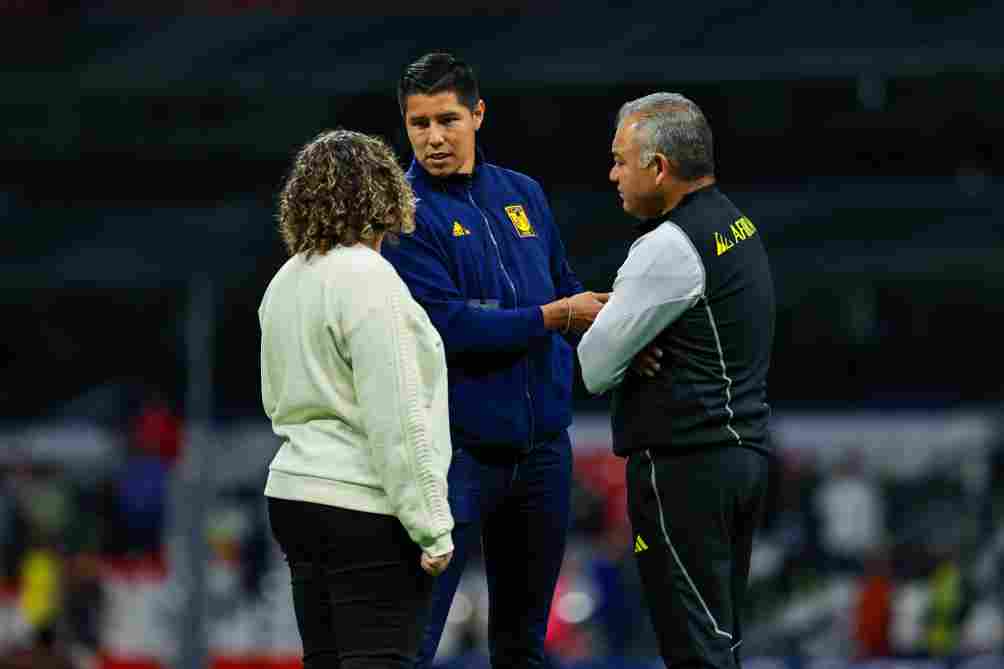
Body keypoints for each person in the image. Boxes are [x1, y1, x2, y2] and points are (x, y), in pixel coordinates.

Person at [382, 53, 607, 668]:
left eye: (447, 120)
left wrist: (616, 337)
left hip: (542, 454)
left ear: (478, 114)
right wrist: (551, 316)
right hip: (455, 458)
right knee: (415, 640)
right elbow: (449, 326)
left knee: (524, 645)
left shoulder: (523, 194)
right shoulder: (401, 214)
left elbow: (566, 285)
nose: (433, 138)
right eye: (418, 123)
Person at [578, 93, 775, 668]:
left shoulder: (666, 247)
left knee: (694, 652)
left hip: (684, 470)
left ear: (658, 167)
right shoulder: (737, 223)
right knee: (721, 641)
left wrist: (613, 329)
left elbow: (593, 366)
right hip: (741, 459)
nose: (612, 174)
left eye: (620, 160)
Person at [259, 129, 454, 669]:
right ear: (385, 195)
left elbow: (276, 400)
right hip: (361, 505)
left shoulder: (285, 280)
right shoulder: (370, 277)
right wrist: (431, 524)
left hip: (295, 497)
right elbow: (396, 414)